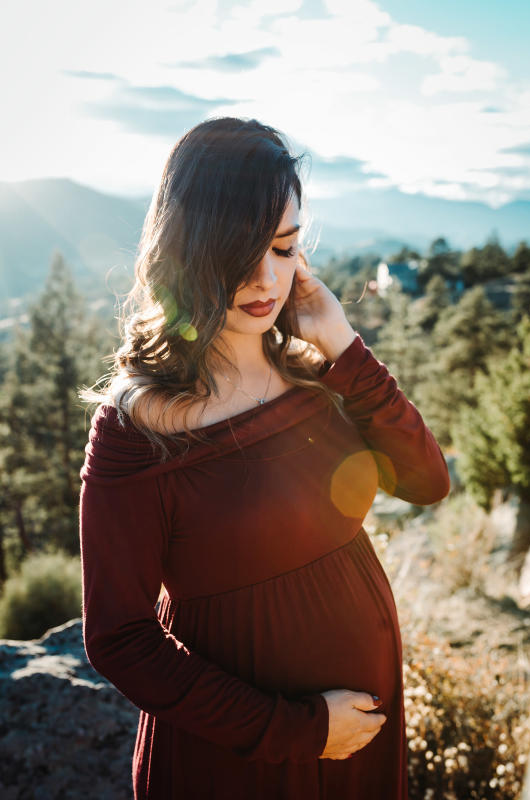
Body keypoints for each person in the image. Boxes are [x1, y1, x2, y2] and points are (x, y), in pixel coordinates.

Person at [78, 116, 450, 799]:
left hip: (362, 739)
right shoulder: (139, 426)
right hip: (240, 760)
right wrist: (299, 730)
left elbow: (427, 481)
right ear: (189, 248)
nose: (264, 276)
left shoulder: (317, 371)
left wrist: (343, 345)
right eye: (241, 249)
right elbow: (119, 638)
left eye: (283, 247)